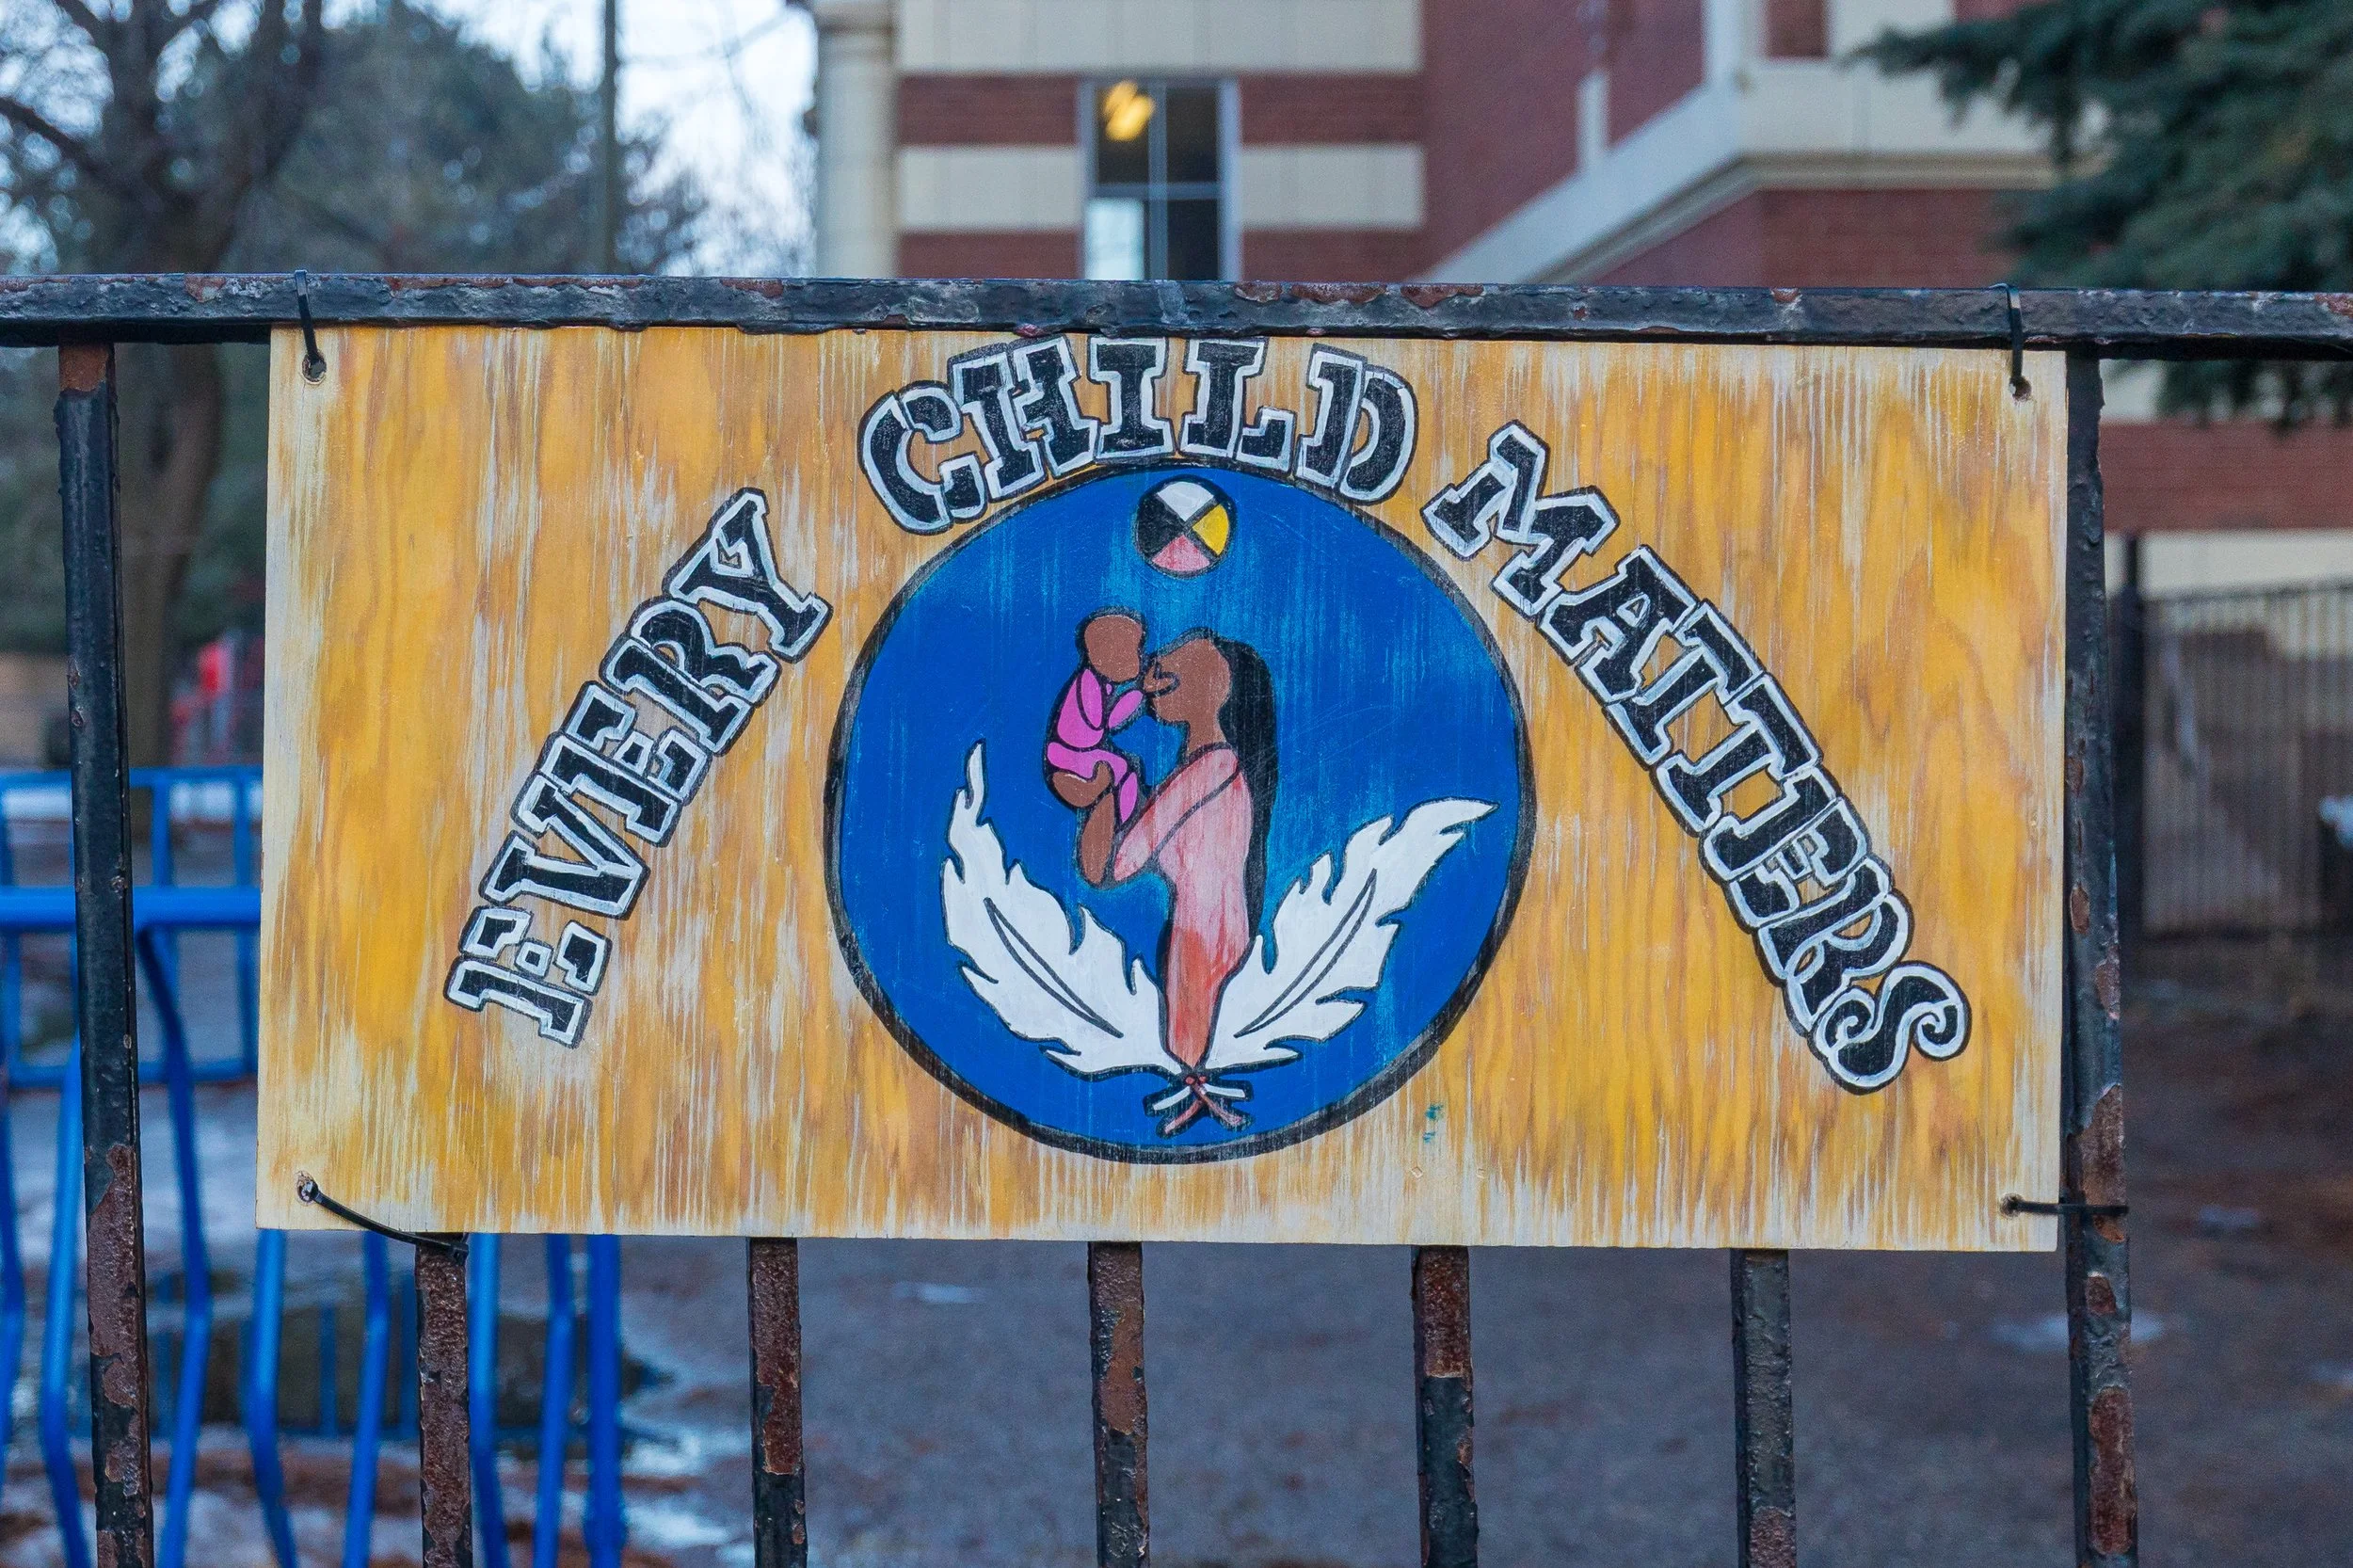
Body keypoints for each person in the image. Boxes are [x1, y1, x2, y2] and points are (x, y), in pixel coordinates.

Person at [1073, 632, 1277, 1134]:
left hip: (1203, 936)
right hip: (1211, 927)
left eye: (1179, 667)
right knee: (1191, 1037)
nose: (1155, 674)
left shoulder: (1211, 767)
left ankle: (1198, 1090)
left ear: (1220, 689)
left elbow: (1115, 864)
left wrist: (1102, 783)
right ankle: (1198, 1090)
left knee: (1193, 1035)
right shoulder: (1212, 767)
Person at [1045, 611, 1147, 824]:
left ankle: (1124, 819)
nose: (1140, 658)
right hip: (1070, 754)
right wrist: (1139, 693)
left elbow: (1107, 720)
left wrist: (1139, 692)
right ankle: (1127, 823)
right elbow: (1105, 724)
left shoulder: (1099, 683)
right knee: (1122, 769)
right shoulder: (1088, 684)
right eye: (1133, 652)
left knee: (1123, 768)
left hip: (1079, 751)